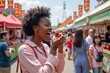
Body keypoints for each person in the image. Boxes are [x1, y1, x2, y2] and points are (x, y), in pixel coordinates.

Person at [18, 6, 65, 73]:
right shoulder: (24, 50)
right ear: (35, 28)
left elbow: (58, 70)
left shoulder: (45, 47)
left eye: (50, 25)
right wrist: (53, 48)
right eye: (47, 25)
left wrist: (60, 49)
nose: (50, 28)